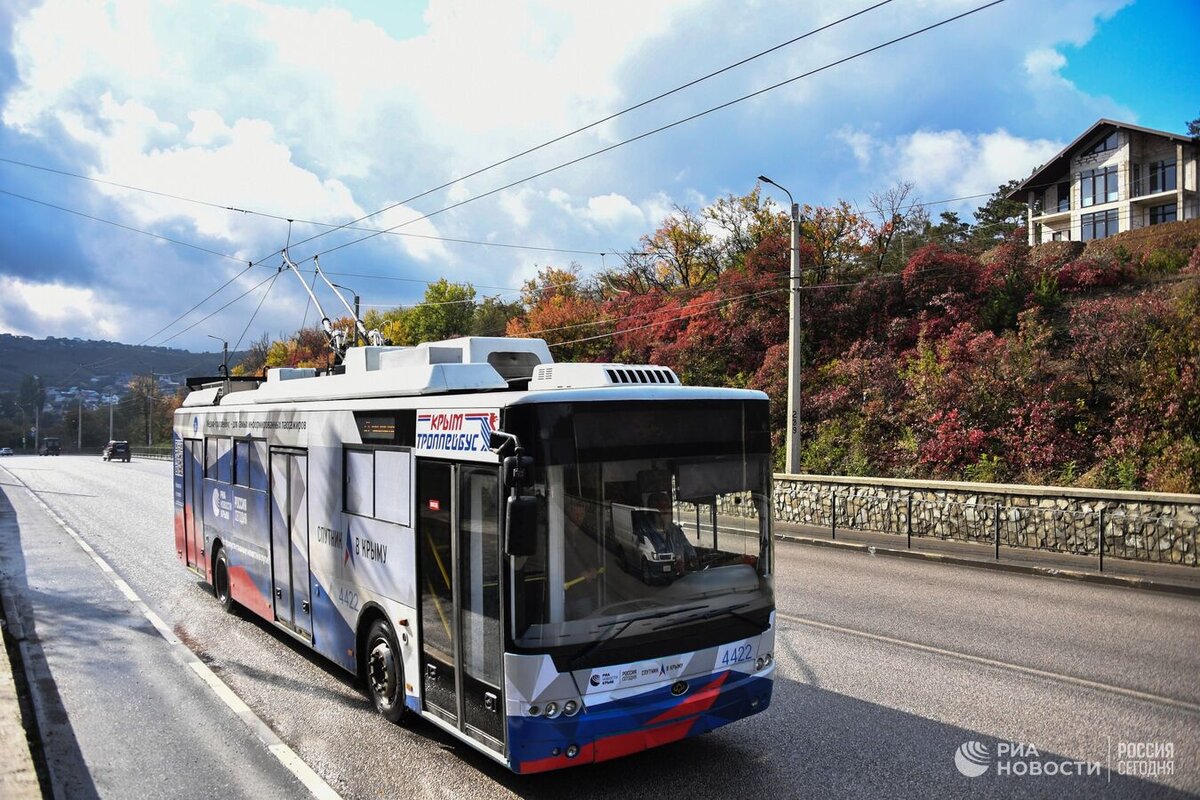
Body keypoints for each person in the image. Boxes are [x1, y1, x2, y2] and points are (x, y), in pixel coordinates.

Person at [648, 492, 699, 574]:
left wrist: (691, 562)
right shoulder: (647, 533)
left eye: (667, 508)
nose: (665, 514)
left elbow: (690, 552)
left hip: (680, 578)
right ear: (653, 513)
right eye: (661, 510)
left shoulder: (676, 531)